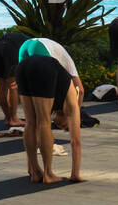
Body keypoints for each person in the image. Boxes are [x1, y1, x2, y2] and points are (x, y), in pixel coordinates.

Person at [14, 42, 83, 184]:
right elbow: (75, 142)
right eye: (65, 127)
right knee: (44, 122)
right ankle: (48, 174)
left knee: (31, 123)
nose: (61, 127)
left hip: (23, 66)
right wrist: (75, 174)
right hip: (43, 66)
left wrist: (30, 167)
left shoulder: (59, 104)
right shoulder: (73, 105)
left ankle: (35, 171)